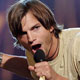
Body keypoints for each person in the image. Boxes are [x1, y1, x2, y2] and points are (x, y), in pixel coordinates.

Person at [0, 0, 80, 80]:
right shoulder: (34, 52)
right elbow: (29, 69)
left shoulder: (77, 43)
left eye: (35, 28)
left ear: (50, 26)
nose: (30, 38)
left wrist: (55, 77)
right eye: (23, 33)